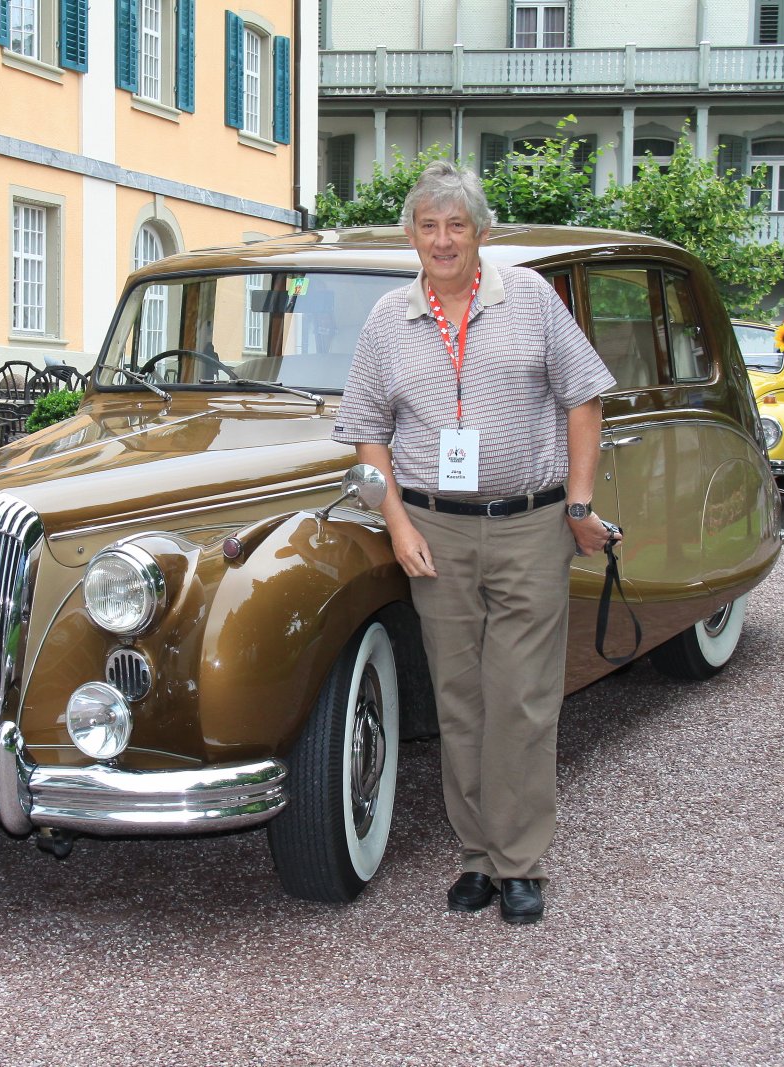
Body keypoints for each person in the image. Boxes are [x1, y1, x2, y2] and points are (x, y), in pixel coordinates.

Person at [332, 162, 616, 925]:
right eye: (429, 226)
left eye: (456, 225)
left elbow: (584, 399)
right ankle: (477, 857)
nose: (443, 239)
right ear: (412, 235)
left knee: (520, 698)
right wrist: (397, 524)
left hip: (530, 525)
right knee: (459, 701)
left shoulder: (530, 298)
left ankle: (520, 861)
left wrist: (579, 501)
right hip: (436, 532)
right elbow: (367, 433)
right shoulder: (387, 320)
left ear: (481, 232)